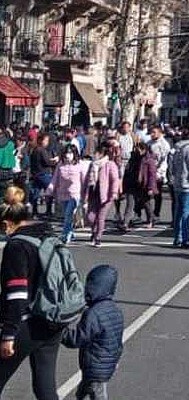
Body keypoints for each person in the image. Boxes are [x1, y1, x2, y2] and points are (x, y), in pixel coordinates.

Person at [0, 186, 62, 399]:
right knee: (45, 387)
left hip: (26, 323)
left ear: (7, 224)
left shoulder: (16, 247)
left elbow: (17, 294)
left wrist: (8, 334)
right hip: (53, 318)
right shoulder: (48, 236)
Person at [61, 264, 123, 400]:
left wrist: (61, 331)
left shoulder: (94, 314)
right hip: (106, 363)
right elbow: (118, 341)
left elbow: (77, 338)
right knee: (84, 391)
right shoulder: (115, 310)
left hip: (95, 366)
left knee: (98, 393)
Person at [85, 145, 122, 247]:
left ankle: (98, 237)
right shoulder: (92, 165)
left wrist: (114, 193)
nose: (95, 155)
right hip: (93, 193)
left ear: (102, 154)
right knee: (90, 217)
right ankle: (94, 230)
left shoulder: (110, 164)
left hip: (106, 195)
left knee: (101, 217)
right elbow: (87, 179)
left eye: (97, 153)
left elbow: (115, 180)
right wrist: (84, 193)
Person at [50, 145, 85, 244]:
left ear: (74, 154)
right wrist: (50, 189)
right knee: (66, 215)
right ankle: (71, 232)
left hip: (75, 194)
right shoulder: (60, 165)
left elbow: (84, 180)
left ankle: (66, 235)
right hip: (62, 194)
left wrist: (85, 194)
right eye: (66, 153)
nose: (67, 155)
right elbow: (55, 178)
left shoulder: (79, 165)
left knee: (68, 215)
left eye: (70, 153)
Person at [29, 133, 57, 217]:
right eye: (46, 140)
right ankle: (48, 210)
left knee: (36, 193)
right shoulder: (41, 150)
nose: (47, 142)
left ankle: (34, 211)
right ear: (41, 141)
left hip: (36, 174)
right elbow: (47, 162)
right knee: (50, 191)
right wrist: (55, 161)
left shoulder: (34, 150)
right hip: (43, 174)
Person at [146, 126, 171, 223]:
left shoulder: (164, 144)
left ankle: (156, 213)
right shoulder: (149, 143)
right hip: (149, 171)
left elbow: (164, 160)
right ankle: (144, 213)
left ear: (160, 133)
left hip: (158, 172)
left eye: (154, 132)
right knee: (145, 193)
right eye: (151, 132)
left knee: (157, 193)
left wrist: (159, 172)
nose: (152, 134)